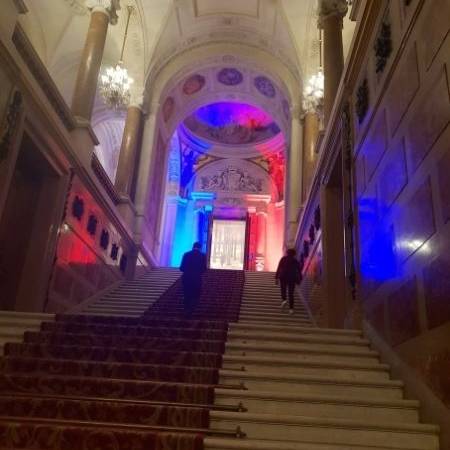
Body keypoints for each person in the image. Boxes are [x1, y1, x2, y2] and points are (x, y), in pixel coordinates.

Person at [180, 242, 207, 316]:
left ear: (193, 247)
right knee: (196, 295)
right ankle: (191, 310)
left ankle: (186, 309)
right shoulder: (203, 256)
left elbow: (181, 268)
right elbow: (204, 269)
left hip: (186, 279)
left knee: (186, 294)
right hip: (197, 279)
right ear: (200, 248)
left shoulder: (186, 254)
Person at [275, 248, 302, 315]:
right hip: (292, 278)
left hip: (283, 277)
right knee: (291, 293)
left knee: (283, 290)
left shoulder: (283, 259)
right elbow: (299, 271)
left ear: (287, 253)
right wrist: (300, 279)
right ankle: (291, 309)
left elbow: (279, 268)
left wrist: (276, 278)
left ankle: (284, 300)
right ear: (294, 254)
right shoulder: (295, 261)